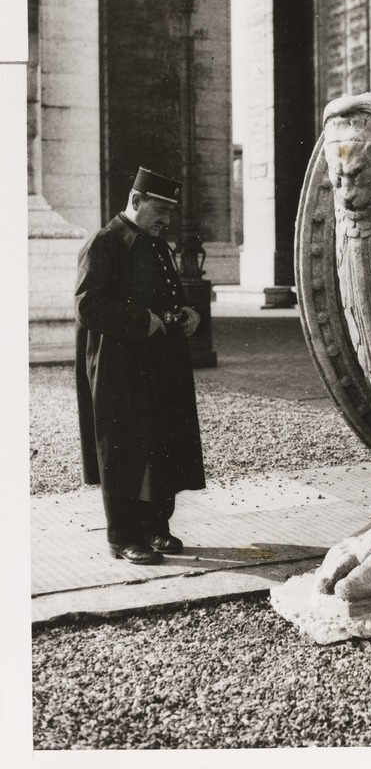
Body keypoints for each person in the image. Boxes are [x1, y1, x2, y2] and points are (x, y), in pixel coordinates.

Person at [75, 167, 206, 564]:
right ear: (136, 201)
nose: (167, 220)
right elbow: (87, 307)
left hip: (159, 361)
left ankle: (155, 525)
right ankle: (123, 536)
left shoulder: (154, 243)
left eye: (170, 211)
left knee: (162, 441)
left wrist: (187, 312)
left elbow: (169, 294)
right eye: (160, 210)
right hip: (119, 364)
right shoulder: (105, 242)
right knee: (122, 446)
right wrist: (141, 321)